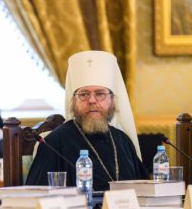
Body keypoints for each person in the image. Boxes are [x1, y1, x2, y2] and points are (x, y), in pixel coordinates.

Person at [25, 50, 148, 191]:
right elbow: (34, 196)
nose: (92, 100)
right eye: (83, 94)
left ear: (112, 100)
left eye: (100, 94)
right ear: (73, 101)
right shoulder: (54, 143)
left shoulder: (123, 141)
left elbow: (144, 193)